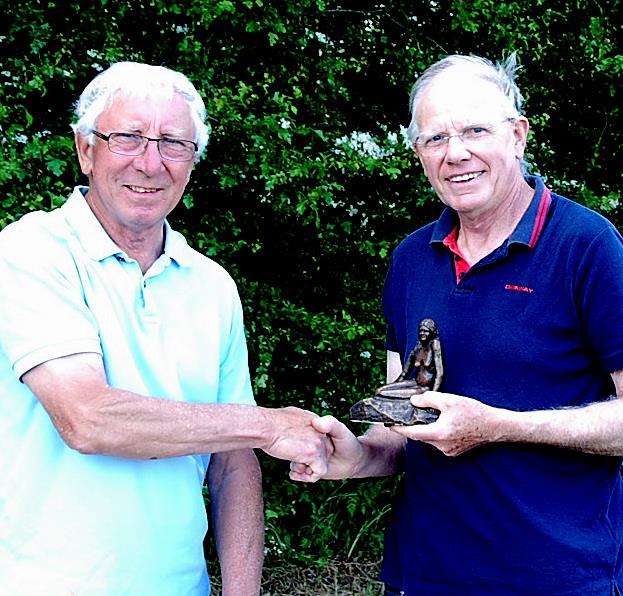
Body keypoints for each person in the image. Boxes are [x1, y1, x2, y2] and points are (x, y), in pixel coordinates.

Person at [291, 53, 623, 595]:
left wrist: (499, 426)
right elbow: (403, 417)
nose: (456, 153)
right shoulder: (412, 259)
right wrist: (353, 456)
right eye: (435, 138)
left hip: (558, 579)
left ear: (518, 135)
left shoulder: (586, 247)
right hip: (423, 577)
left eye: (475, 130)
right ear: (419, 152)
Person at [0, 61, 331, 596]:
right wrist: (269, 425)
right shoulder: (31, 252)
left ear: (192, 162)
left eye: (174, 143)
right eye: (127, 138)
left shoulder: (212, 285)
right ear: (86, 149)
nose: (150, 163)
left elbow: (232, 463)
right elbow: (88, 419)